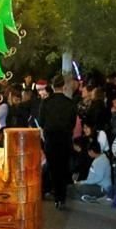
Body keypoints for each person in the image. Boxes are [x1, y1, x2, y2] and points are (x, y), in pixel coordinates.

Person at [37, 75, 77, 210]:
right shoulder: (70, 103)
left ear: (52, 87)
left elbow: (41, 121)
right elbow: (72, 122)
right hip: (65, 138)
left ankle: (56, 196)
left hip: (51, 138)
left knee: (53, 167)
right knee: (63, 167)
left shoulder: (46, 102)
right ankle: (62, 197)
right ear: (64, 86)